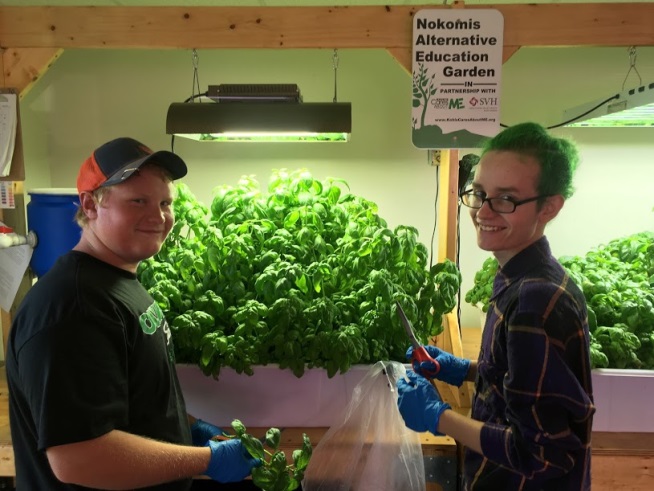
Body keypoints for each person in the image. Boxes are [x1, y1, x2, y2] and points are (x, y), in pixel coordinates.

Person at [6, 137, 260, 490]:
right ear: (90, 205)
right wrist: (206, 460)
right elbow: (79, 457)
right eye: (138, 201)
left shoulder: (114, 282)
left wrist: (187, 428)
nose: (158, 217)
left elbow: (134, 395)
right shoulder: (72, 307)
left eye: (165, 202)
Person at [397, 122, 595, 490]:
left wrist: (438, 417)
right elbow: (521, 380)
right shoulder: (520, 276)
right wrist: (461, 370)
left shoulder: (534, 301)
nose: (483, 212)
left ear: (549, 207)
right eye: (479, 192)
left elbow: (541, 454)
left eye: (506, 199)